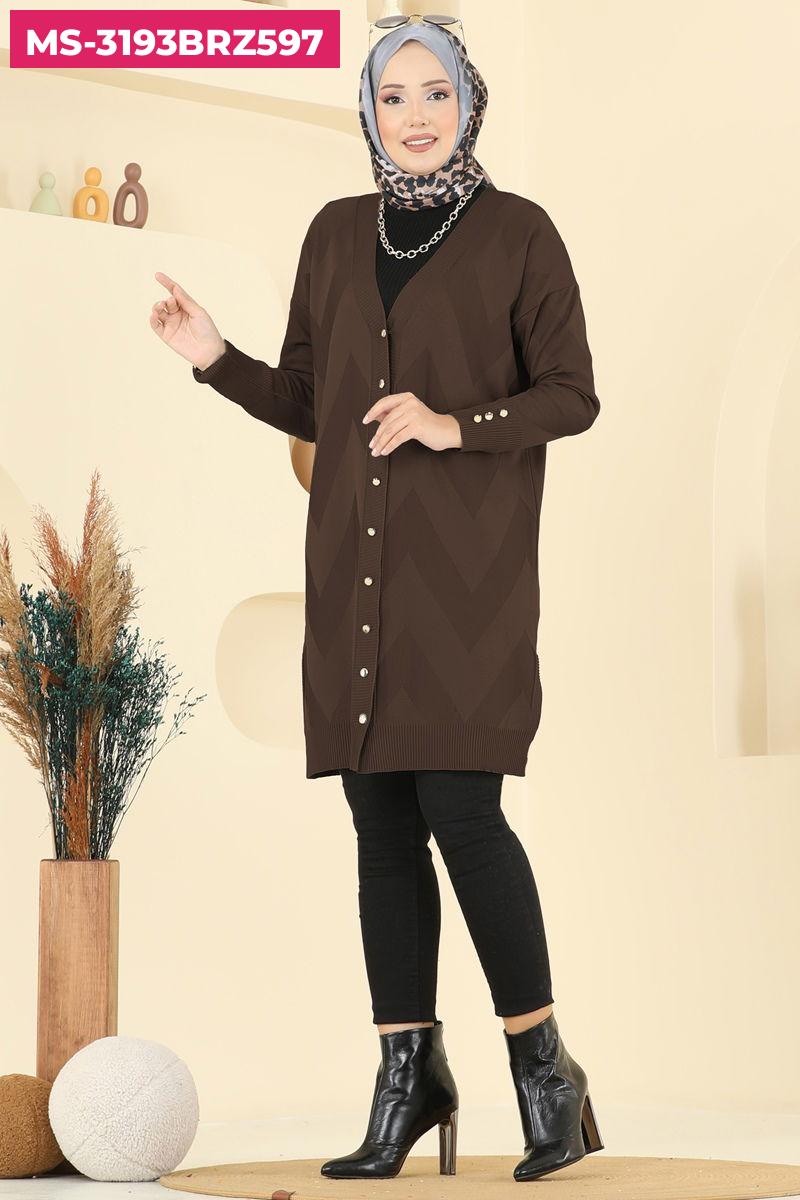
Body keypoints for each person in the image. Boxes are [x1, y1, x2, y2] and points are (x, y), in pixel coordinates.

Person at [149, 15, 603, 1185]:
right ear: (366, 111)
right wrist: (214, 357)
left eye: (433, 93)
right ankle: (409, 1077)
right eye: (391, 96)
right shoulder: (335, 232)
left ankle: (545, 1075)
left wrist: (457, 424)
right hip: (353, 579)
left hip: (467, 584)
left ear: (467, 103)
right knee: (380, 832)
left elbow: (571, 393)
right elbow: (314, 401)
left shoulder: (518, 233)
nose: (413, 116)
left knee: (463, 813)